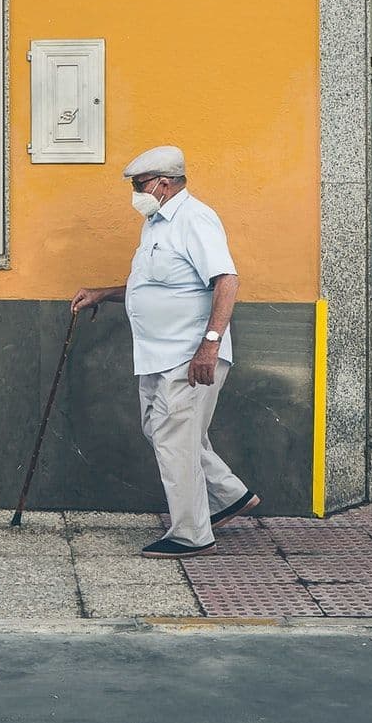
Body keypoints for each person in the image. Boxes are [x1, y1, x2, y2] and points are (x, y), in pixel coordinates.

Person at [71, 146, 258, 558]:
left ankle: (191, 534)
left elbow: (226, 280)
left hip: (188, 355)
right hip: (157, 353)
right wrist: (104, 293)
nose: (136, 193)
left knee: (174, 438)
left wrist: (208, 348)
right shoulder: (155, 224)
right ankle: (229, 496)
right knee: (162, 431)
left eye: (140, 185)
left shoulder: (195, 219)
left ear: (164, 183)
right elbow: (154, 286)